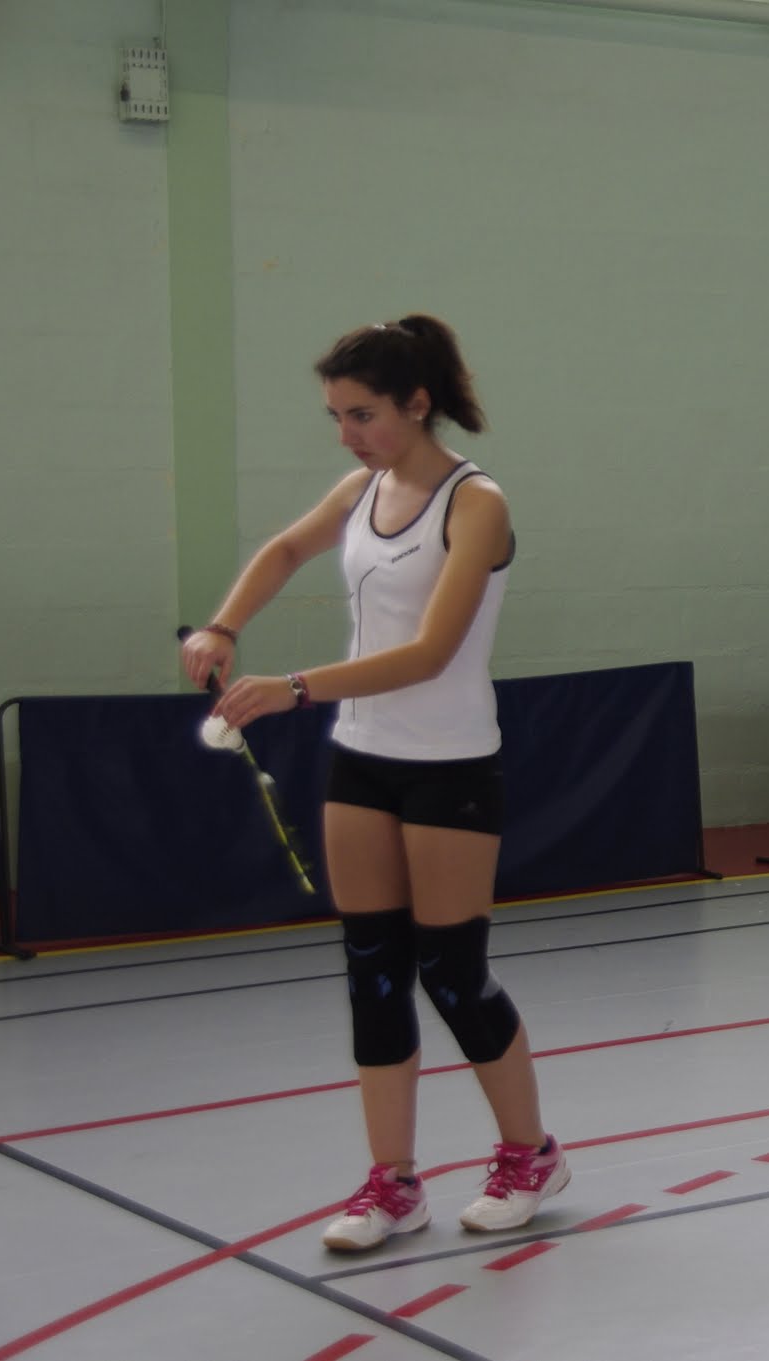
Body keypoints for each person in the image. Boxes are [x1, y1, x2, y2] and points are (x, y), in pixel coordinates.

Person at [180, 314, 570, 1250]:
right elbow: (284, 550)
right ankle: (392, 1183)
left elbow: (432, 652)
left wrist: (294, 688)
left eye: (362, 414)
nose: (346, 435)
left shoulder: (476, 504)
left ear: (417, 403)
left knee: (453, 973)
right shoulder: (362, 489)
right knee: (372, 971)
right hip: (362, 757)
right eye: (336, 416)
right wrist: (224, 624)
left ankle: (531, 1153)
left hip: (450, 765)